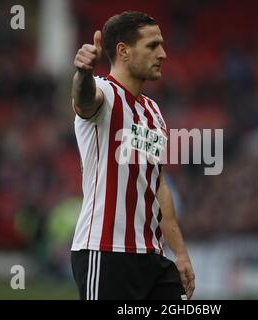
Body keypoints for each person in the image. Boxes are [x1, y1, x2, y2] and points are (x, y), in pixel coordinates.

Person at [70, 11, 195, 300]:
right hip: (106, 251)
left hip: (152, 256)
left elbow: (158, 185)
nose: (163, 54)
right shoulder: (103, 91)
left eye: (162, 45)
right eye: (152, 46)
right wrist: (83, 73)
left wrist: (181, 253)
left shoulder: (153, 111)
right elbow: (84, 99)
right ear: (123, 51)